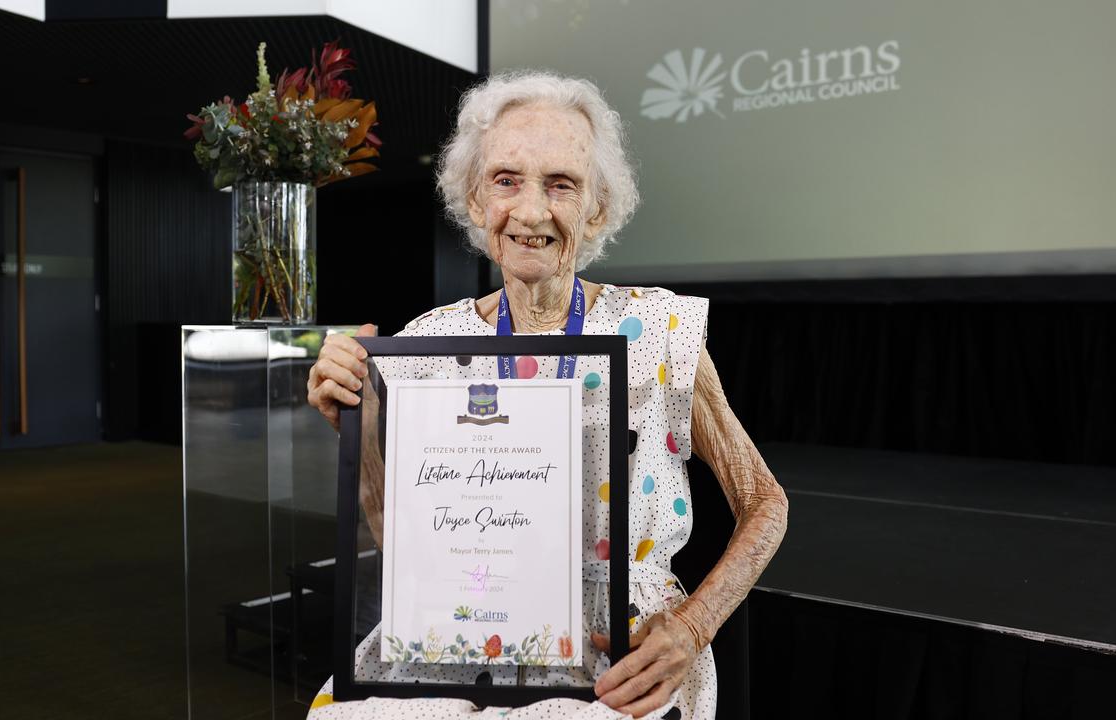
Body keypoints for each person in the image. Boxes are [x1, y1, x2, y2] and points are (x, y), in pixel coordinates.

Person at [304, 71, 788, 720]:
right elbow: (408, 552)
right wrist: (357, 422)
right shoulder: (429, 342)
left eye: (562, 185)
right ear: (475, 202)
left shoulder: (663, 334)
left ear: (597, 210)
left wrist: (693, 627)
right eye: (506, 180)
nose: (531, 212)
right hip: (465, 628)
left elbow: (764, 501)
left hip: (618, 649)